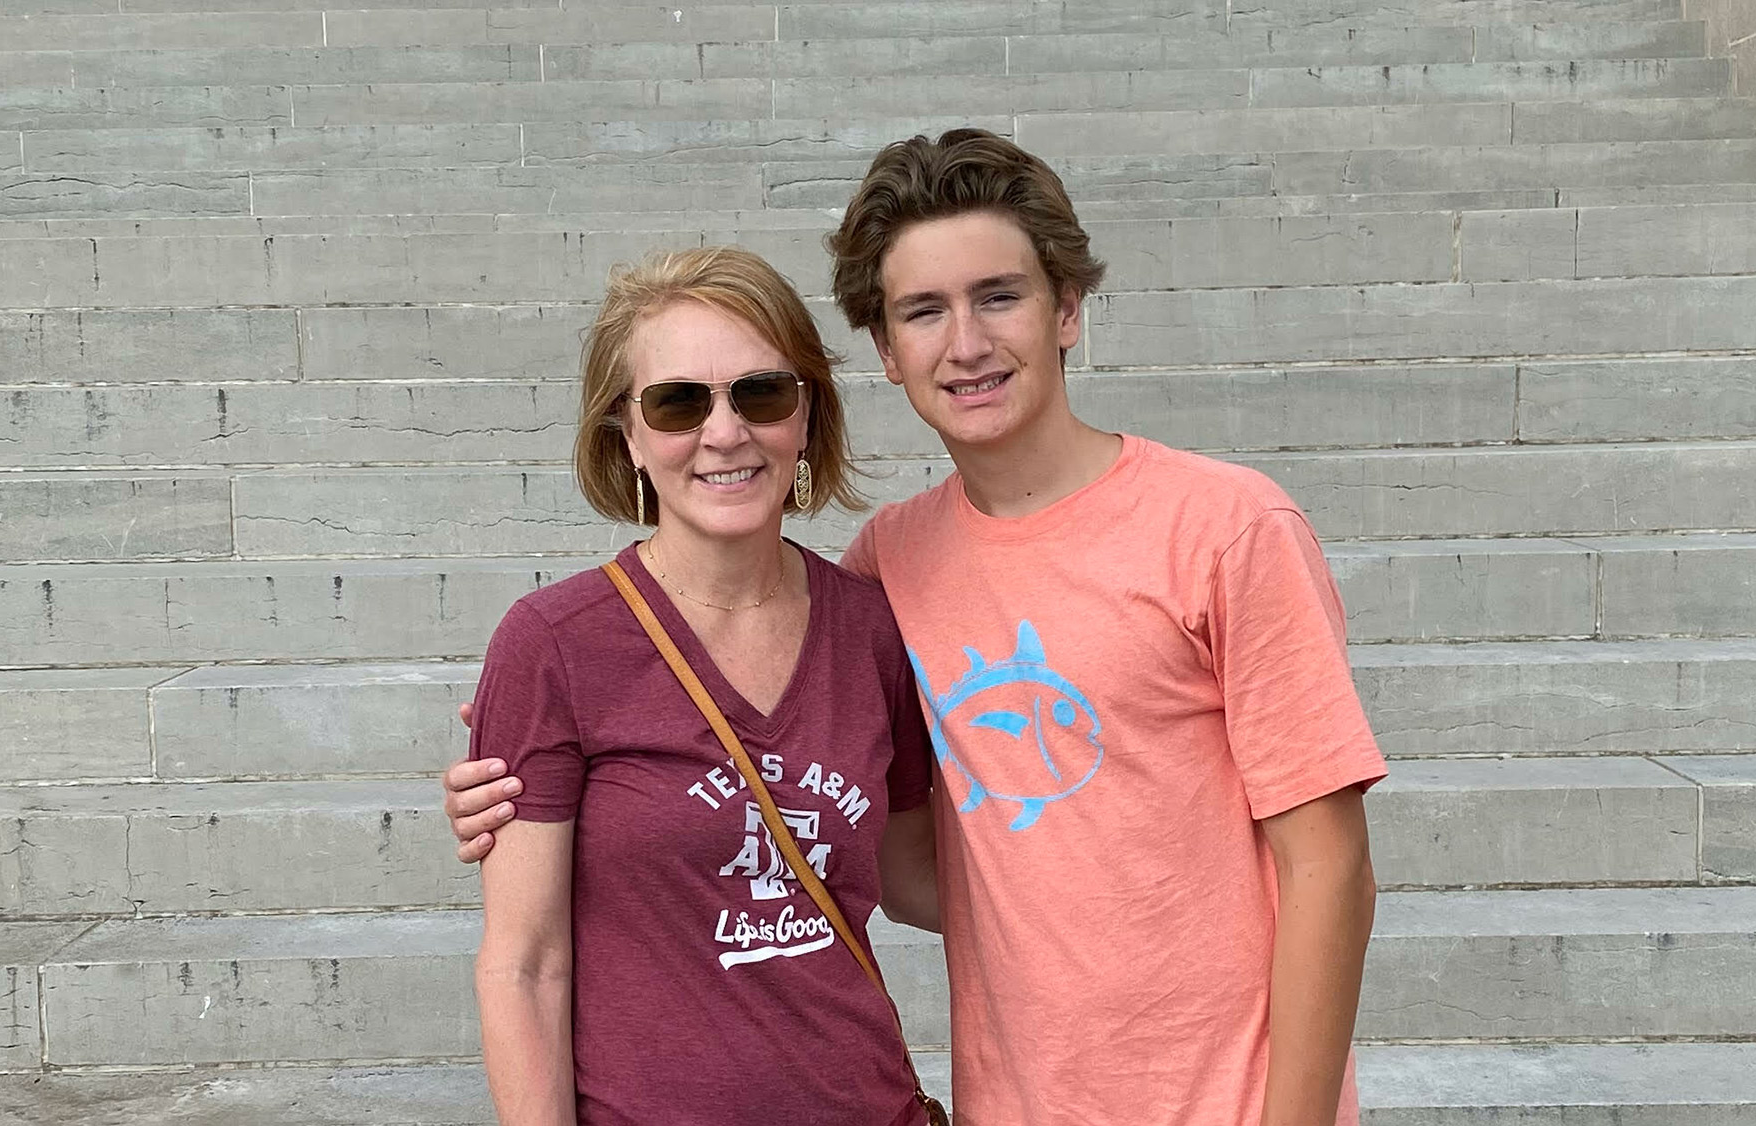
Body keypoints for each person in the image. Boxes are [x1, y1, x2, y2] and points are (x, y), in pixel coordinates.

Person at [447, 130, 1387, 1126]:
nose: (966, 343)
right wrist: (519, 761)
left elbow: (1331, 868)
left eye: (998, 295)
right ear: (887, 353)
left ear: (1065, 307)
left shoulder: (1225, 527)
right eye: (922, 312)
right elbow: (913, 865)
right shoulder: (890, 569)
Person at [464, 244, 939, 1126]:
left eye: (760, 392)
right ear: (630, 434)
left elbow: (916, 877)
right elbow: (523, 963)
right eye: (679, 402)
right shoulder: (555, 645)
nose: (726, 432)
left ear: (805, 417)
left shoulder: (872, 630)